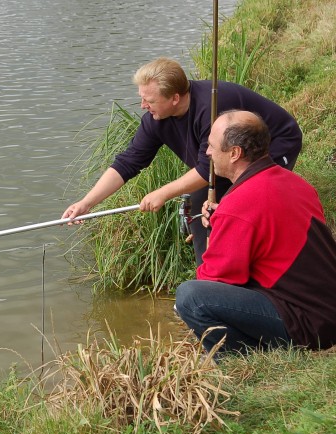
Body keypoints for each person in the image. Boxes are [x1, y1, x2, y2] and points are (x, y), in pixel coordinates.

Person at [62, 57, 303, 264]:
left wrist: (163, 193)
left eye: (150, 101)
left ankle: (257, 267)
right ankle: (208, 279)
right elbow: (128, 163)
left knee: (239, 204)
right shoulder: (155, 119)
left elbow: (205, 168)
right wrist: (86, 203)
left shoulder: (211, 109)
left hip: (275, 143)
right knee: (201, 208)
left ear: (175, 98)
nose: (143, 106)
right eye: (141, 98)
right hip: (224, 160)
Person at [174, 110, 336, 355]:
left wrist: (222, 227)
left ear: (235, 153)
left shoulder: (239, 205)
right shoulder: (294, 182)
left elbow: (213, 280)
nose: (207, 152)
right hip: (325, 308)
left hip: (309, 325)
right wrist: (225, 222)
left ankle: (240, 361)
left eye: (211, 146)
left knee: (190, 297)